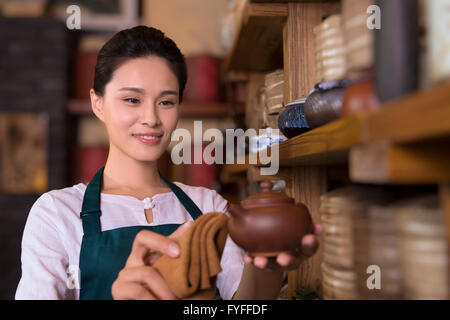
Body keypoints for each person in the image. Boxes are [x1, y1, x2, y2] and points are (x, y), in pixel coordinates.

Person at [15, 26, 322, 300]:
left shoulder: (208, 206)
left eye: (166, 102)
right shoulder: (57, 213)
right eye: (132, 100)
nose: (151, 119)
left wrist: (265, 265)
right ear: (98, 103)